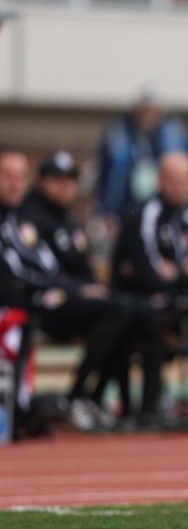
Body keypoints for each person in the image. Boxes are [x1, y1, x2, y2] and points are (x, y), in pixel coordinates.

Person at [18, 150, 139, 431]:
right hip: (47, 302)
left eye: (70, 180)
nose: (65, 186)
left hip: (76, 300)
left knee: (131, 310)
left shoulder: (69, 221)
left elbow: (83, 267)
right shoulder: (30, 218)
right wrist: (80, 289)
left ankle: (97, 398)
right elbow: (42, 272)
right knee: (117, 310)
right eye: (57, 179)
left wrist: (89, 288)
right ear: (42, 182)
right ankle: (76, 395)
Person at [111, 152, 188, 429]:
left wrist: (177, 275)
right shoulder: (145, 213)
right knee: (153, 318)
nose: (179, 185)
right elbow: (148, 273)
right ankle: (148, 407)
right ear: (161, 180)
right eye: (173, 179)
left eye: (185, 179)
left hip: (174, 300)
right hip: (136, 301)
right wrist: (182, 274)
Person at [95, 85, 188, 223]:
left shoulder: (173, 132)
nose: (148, 116)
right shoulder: (119, 133)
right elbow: (109, 173)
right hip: (128, 203)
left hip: (163, 204)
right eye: (144, 111)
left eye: (152, 111)